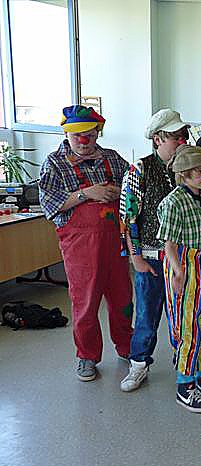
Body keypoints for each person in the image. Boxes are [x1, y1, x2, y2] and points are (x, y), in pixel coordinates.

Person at [38, 105, 133, 381]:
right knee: (85, 304)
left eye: (89, 135)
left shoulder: (113, 159)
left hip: (115, 244)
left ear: (97, 133)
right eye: (76, 135)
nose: (83, 141)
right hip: (80, 249)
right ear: (66, 134)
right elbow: (50, 205)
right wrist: (87, 193)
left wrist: (118, 192)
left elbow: (133, 190)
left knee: (123, 300)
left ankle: (127, 348)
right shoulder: (54, 164)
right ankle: (87, 356)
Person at [118, 108, 190, 392]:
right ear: (158, 139)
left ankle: (184, 366)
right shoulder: (140, 169)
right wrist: (135, 257)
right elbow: (128, 217)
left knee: (182, 315)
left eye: (184, 135)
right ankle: (138, 364)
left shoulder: (185, 168)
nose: (182, 141)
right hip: (151, 257)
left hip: (182, 257)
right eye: (176, 136)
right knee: (147, 314)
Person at [157, 145, 201, 412]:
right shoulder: (174, 202)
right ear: (183, 174)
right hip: (185, 262)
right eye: (198, 171)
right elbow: (170, 244)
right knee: (187, 325)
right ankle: (184, 384)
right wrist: (178, 272)